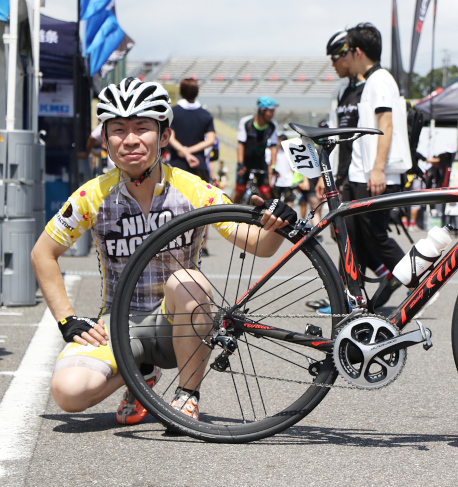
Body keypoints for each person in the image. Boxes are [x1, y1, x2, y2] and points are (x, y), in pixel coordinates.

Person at [30, 78, 296, 425]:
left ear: (165, 136)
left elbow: (257, 245)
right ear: (105, 139)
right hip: (119, 321)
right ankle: (141, 373)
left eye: (142, 128)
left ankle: (187, 395)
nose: (130, 139)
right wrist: (68, 320)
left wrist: (277, 225)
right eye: (118, 130)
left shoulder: (193, 189)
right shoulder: (92, 196)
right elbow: (42, 253)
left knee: (187, 281)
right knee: (68, 392)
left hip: (180, 320)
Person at [340, 22, 409, 297]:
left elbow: (386, 124)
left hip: (373, 175)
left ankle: (420, 283)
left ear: (358, 51)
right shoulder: (372, 80)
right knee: (356, 241)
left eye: (346, 50)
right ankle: (352, 299)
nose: (344, 57)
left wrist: (378, 169)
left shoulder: (379, 80)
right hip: (362, 174)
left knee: (376, 239)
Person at [167, 78, 216, 182]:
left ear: (181, 92)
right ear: (197, 92)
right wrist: (190, 151)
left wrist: (184, 151)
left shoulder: (173, 112)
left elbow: (170, 137)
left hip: (177, 165)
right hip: (199, 165)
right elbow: (211, 140)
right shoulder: (206, 115)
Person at [234, 97, 279, 204]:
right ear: (262, 111)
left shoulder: (272, 126)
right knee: (239, 193)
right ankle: (230, 215)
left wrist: (273, 167)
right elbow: (241, 144)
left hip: (260, 163)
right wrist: (240, 164)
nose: (272, 114)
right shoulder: (246, 122)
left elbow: (273, 147)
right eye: (270, 111)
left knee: (266, 194)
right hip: (245, 162)